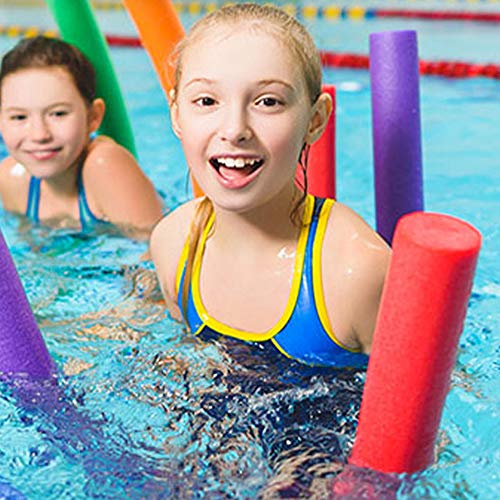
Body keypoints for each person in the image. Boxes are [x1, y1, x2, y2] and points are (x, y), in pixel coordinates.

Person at [150, 3, 391, 367]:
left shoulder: (355, 272)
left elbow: (426, 407)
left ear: (315, 120)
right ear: (176, 114)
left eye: (268, 101)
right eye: (206, 101)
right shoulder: (173, 245)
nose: (234, 130)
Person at [0, 35, 163, 236]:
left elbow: (155, 258)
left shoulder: (105, 165)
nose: (39, 135)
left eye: (58, 113)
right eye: (18, 117)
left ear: (93, 117)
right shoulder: (11, 178)